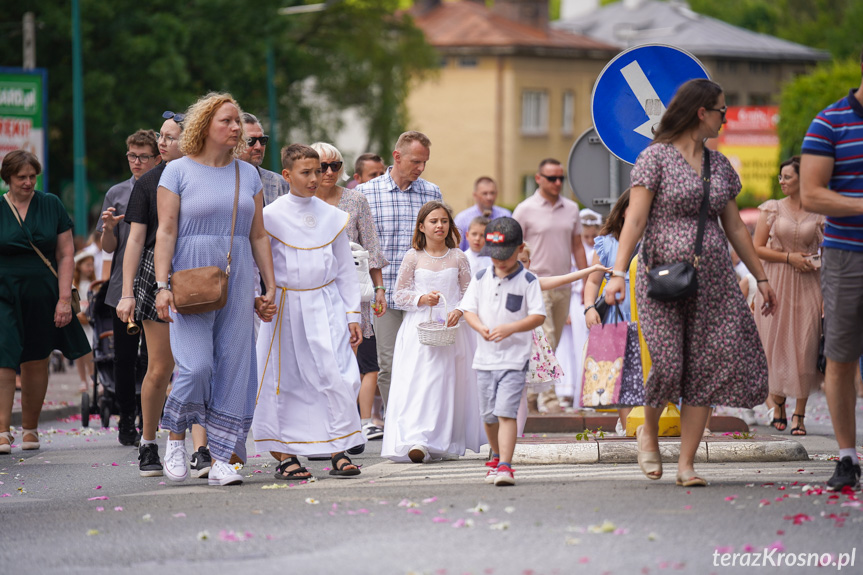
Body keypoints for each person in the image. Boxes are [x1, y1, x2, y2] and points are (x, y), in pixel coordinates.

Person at [604, 78, 777, 487]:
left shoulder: (719, 165)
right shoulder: (655, 158)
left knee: (703, 369)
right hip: (662, 274)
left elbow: (734, 225)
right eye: (721, 109)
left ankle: (686, 464)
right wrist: (616, 273)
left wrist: (761, 276)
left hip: (713, 279)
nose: (726, 117)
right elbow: (636, 218)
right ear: (702, 112)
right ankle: (648, 431)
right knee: (665, 362)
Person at [154, 92, 277, 486]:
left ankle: (222, 456)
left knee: (235, 366)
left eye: (237, 121)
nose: (236, 128)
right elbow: (166, 230)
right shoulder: (177, 171)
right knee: (196, 366)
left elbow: (258, 235)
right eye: (227, 121)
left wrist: (269, 285)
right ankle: (175, 435)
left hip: (239, 276)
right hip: (190, 276)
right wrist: (161, 284)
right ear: (205, 125)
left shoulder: (249, 174)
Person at [252, 143, 365, 479]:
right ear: (287, 175)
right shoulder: (270, 216)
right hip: (285, 308)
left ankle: (339, 448)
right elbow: (259, 264)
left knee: (336, 375)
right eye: (307, 172)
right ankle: (286, 456)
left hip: (326, 302)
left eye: (319, 171)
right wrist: (260, 299)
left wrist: (353, 315)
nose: (316, 178)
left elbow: (345, 269)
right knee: (283, 380)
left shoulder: (331, 216)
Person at [116, 111, 211, 478]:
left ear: (190, 139)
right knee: (161, 366)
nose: (162, 143)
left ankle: (201, 448)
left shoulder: (205, 174)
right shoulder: (149, 180)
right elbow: (135, 240)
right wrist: (126, 294)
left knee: (200, 365)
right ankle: (149, 443)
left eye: (171, 137)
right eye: (161, 136)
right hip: (156, 273)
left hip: (198, 272)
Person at [800, 57, 863, 490]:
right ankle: (846, 458)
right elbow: (811, 193)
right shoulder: (830, 122)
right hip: (848, 255)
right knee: (840, 357)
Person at [0, 150, 90, 454]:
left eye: (32, 176)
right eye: (20, 177)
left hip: (43, 291)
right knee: (4, 357)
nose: (27, 182)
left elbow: (66, 254)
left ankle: (29, 428)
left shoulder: (50, 204)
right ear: (7, 179)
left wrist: (65, 298)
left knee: (36, 357)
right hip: (4, 291)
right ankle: (1, 430)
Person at [381, 200, 484, 463]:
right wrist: (421, 299)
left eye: (444, 221)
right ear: (421, 227)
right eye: (434, 221)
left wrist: (459, 310)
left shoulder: (458, 257)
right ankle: (417, 438)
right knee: (419, 383)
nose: (440, 226)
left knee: (446, 384)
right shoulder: (412, 257)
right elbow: (399, 294)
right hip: (419, 331)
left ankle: (442, 440)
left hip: (451, 331)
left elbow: (469, 294)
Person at [356, 131, 442, 411]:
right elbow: (359, 247)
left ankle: (423, 421)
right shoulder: (365, 194)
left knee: (426, 363)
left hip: (422, 296)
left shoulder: (432, 192)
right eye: (416, 161)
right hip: (386, 295)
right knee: (389, 365)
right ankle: (398, 426)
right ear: (397, 157)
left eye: (425, 162)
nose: (421, 168)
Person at [311, 141, 388, 443]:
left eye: (335, 165)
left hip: (353, 290)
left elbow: (371, 246)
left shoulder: (356, 201)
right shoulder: (303, 201)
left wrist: (379, 288)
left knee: (354, 359)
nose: (329, 172)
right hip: (313, 290)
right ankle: (322, 425)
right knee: (320, 358)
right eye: (322, 166)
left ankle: (350, 425)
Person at [461, 217, 546, 486]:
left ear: (520, 249)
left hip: (514, 358)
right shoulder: (480, 278)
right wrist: (480, 327)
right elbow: (468, 311)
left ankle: (506, 466)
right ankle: (496, 455)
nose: (500, 262)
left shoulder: (528, 280)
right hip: (484, 359)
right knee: (488, 415)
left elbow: (538, 316)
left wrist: (511, 329)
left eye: (506, 256)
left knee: (506, 412)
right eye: (495, 256)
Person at [753, 156, 824, 436]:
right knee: (776, 346)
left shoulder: (819, 212)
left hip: (809, 283)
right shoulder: (771, 209)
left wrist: (814, 261)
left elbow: (826, 249)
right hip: (776, 284)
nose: (782, 182)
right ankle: (779, 403)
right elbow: (756, 247)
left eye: (787, 177)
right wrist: (788, 257)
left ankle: (800, 414)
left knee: (805, 347)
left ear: (801, 179)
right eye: (780, 177)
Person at [98, 129, 162, 446]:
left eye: (143, 157)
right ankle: (126, 421)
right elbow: (108, 247)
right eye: (132, 156)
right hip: (122, 287)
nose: (136, 162)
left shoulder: (166, 188)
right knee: (124, 358)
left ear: (157, 157)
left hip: (155, 285)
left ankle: (149, 416)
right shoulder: (117, 192)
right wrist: (109, 228)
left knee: (154, 358)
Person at [583, 189, 646, 433]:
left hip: (650, 309)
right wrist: (590, 308)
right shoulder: (607, 241)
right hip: (617, 309)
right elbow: (592, 280)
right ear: (622, 211)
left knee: (648, 366)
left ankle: (649, 420)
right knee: (621, 367)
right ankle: (629, 422)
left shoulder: (658, 238)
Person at [239, 113, 290, 205]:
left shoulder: (280, 183)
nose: (258, 147)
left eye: (262, 140)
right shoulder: (221, 181)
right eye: (250, 141)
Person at [454, 177, 511, 251]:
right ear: (475, 195)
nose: (489, 197)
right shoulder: (462, 219)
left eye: (492, 193)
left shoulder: (505, 216)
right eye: (485, 193)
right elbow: (456, 248)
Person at [73, 251, 96, 393]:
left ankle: (92, 376)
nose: (91, 268)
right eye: (87, 265)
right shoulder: (74, 284)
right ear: (79, 266)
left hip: (89, 322)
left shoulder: (94, 285)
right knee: (78, 352)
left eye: (92, 265)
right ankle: (82, 380)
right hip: (78, 320)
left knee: (90, 349)